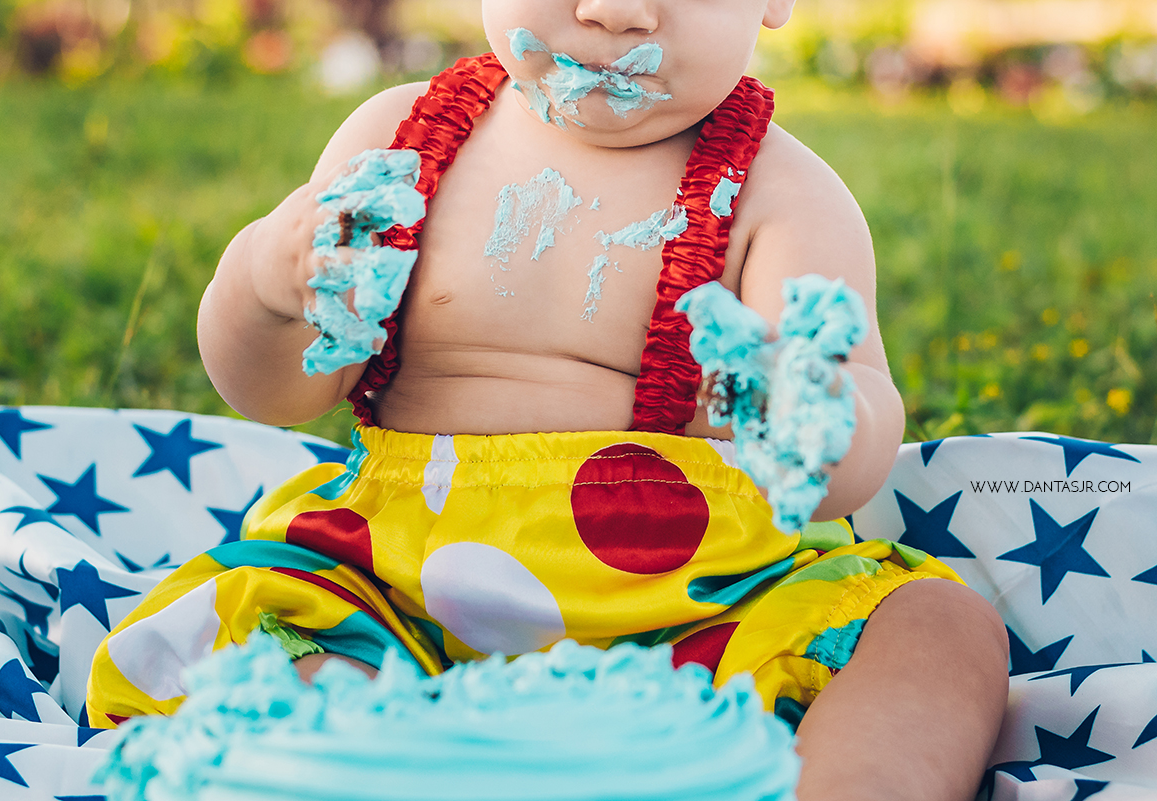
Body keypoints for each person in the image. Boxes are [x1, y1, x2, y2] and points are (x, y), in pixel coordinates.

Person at [88, 2, 1010, 799]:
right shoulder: (400, 143)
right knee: (242, 613)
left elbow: (857, 432)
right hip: (404, 587)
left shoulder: (784, 195)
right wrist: (271, 279)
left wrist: (812, 412)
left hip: (695, 601)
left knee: (940, 626)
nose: (615, 11)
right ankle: (378, 756)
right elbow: (277, 392)